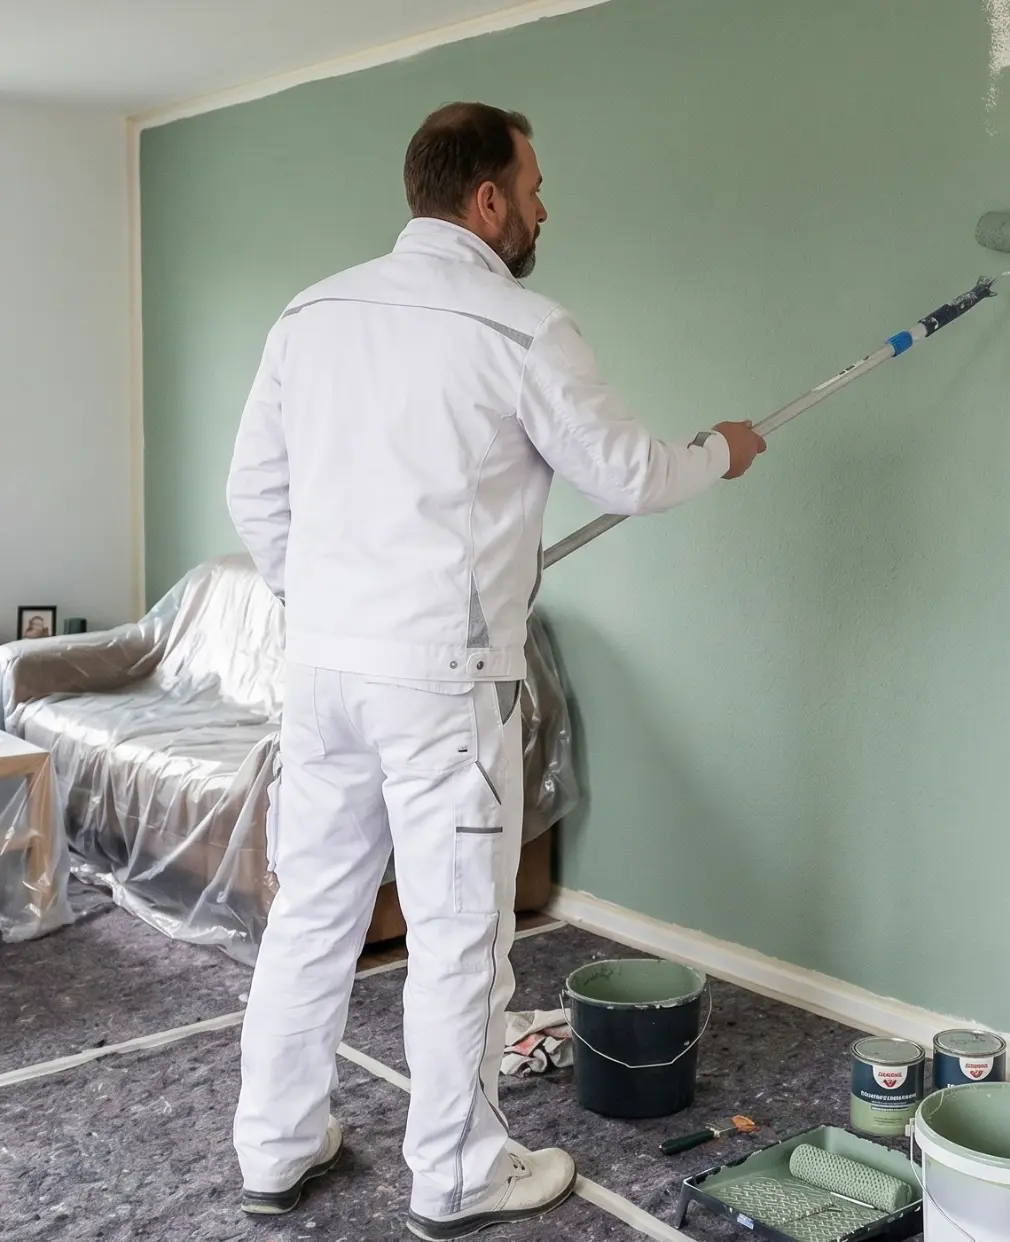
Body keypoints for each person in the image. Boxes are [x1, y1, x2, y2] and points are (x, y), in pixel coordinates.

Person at [225, 102, 765, 1240]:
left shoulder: (309, 314)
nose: (542, 208)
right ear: (485, 201)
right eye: (532, 187)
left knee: (312, 913)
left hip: (320, 669)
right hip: (446, 682)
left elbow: (254, 496)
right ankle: (460, 1175)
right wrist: (723, 452)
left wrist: (320, 605)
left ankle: (275, 1148)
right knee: (459, 932)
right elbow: (629, 474)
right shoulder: (522, 328)